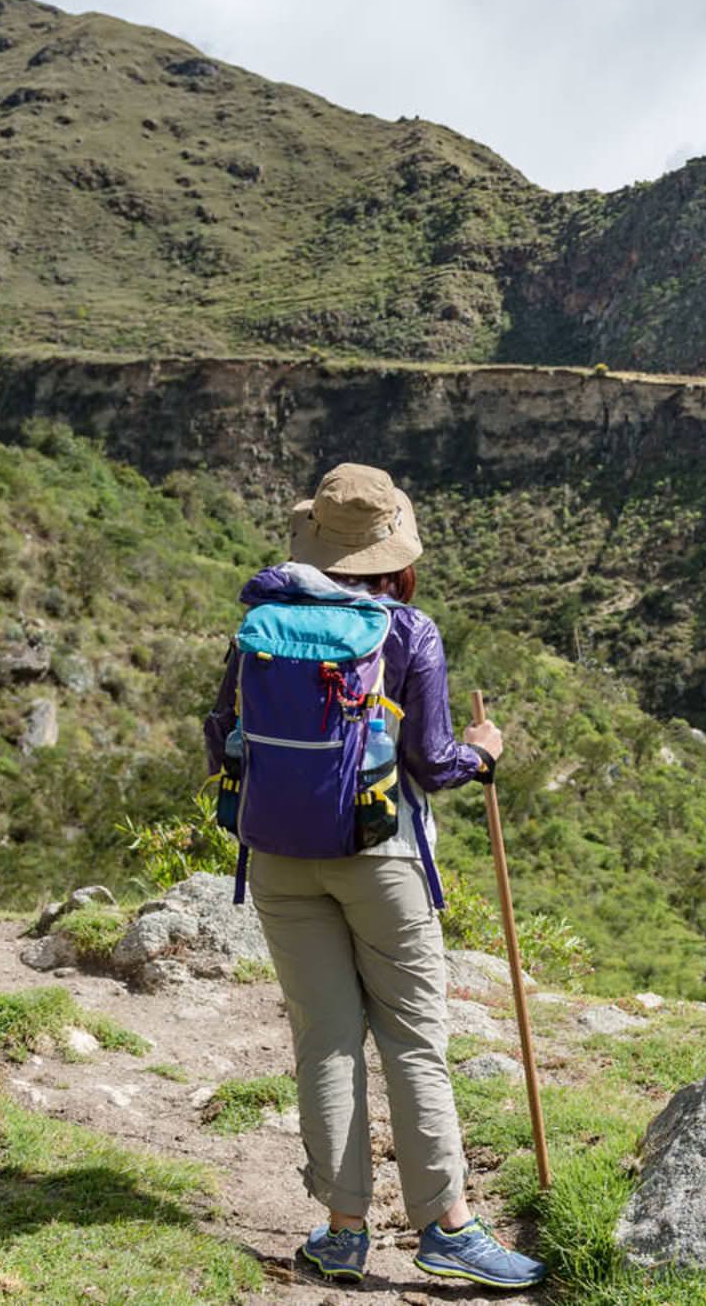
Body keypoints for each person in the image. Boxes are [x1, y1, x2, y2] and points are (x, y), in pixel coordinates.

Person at [203, 463, 546, 1289]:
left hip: (279, 860)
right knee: (414, 1043)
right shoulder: (408, 630)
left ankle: (343, 1232)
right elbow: (432, 760)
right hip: (381, 858)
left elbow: (221, 738)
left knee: (325, 1042)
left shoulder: (261, 624)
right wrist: (487, 754)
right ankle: (448, 1229)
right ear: (394, 554)